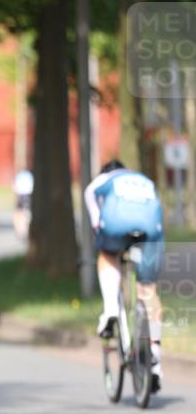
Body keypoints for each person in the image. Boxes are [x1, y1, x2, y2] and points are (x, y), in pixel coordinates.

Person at [84, 159, 165, 392]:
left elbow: (96, 222)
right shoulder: (144, 180)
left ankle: (110, 309)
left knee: (107, 254)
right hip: (150, 227)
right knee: (148, 290)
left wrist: (104, 245)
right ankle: (155, 356)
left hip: (117, 224)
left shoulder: (101, 182)